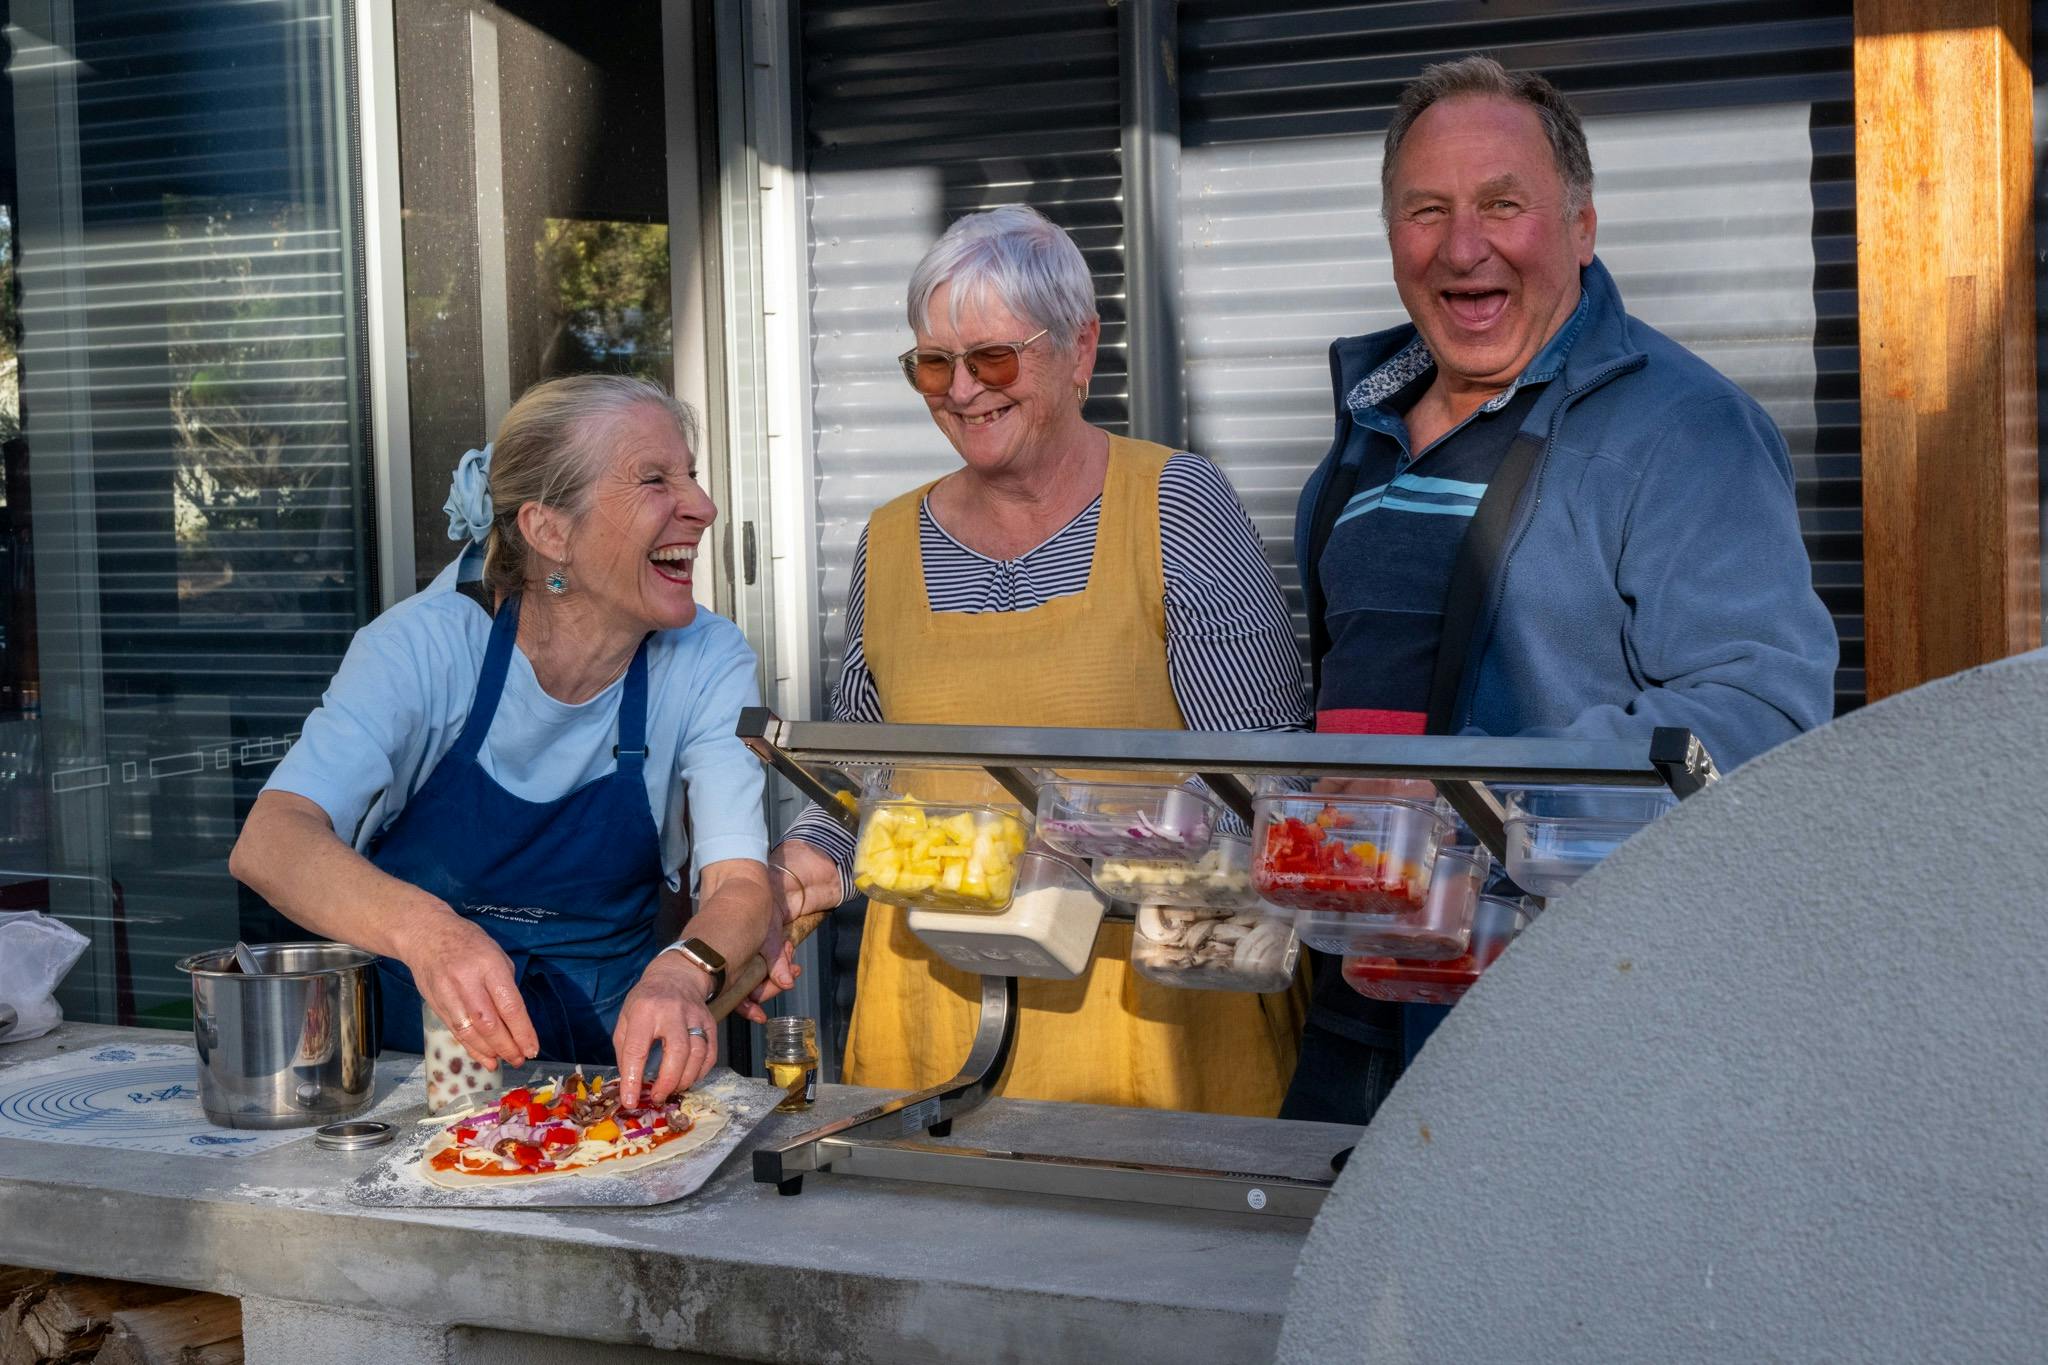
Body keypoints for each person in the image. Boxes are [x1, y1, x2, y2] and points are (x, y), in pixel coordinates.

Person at [1285, 56, 1839, 1125]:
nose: (1461, 246)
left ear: (1580, 228)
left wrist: (1472, 802)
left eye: (1503, 205)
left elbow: (1761, 711)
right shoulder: (1364, 436)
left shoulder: (1681, 432)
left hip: (1572, 1025)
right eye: (1425, 211)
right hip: (1358, 1001)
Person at [766, 205, 1313, 1116]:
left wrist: (1086, 849)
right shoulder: (889, 540)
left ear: (1079, 347)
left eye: (992, 358)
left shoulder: (1173, 503)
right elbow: (859, 770)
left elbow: (1259, 782)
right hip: (933, 1017)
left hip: (1154, 1016)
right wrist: (801, 862)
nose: (962, 389)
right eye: (933, 364)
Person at [229, 375, 795, 1107]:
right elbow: (271, 842)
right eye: (655, 478)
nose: (703, 505)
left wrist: (683, 970)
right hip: (409, 1080)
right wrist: (431, 932)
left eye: (690, 471)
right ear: (550, 531)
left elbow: (739, 885)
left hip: (616, 1088)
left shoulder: (708, 659)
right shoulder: (424, 647)